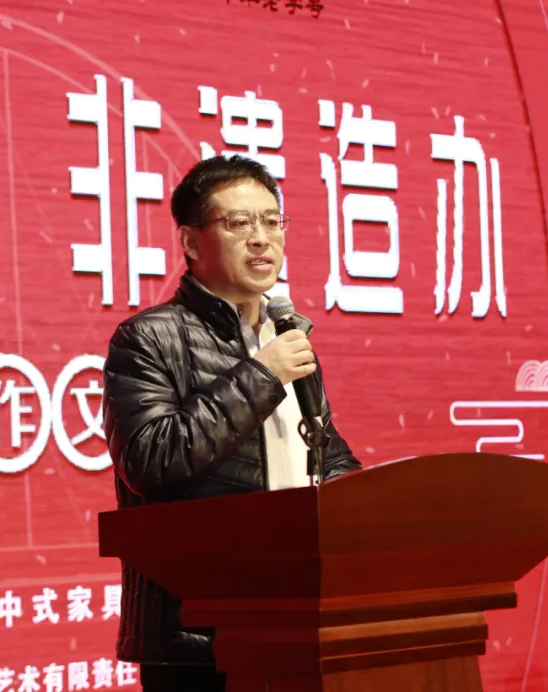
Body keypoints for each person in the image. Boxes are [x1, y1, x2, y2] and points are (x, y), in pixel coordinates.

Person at [101, 154, 362, 692]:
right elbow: (151, 461)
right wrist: (263, 374)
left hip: (297, 622)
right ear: (191, 242)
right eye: (239, 222)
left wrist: (379, 511)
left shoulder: (286, 336)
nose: (261, 238)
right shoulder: (149, 338)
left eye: (271, 221)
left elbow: (324, 458)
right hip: (200, 638)